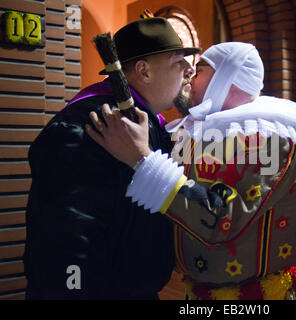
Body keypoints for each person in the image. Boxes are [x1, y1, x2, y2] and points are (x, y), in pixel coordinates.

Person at [86, 42, 296, 300]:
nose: (189, 73)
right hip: (202, 292)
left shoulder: (273, 136)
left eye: (199, 69)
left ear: (227, 77)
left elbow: (225, 218)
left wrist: (143, 160)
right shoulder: (201, 131)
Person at [24, 17, 200, 299]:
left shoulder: (148, 123)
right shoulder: (91, 124)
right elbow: (67, 237)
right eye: (178, 60)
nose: (190, 70)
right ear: (144, 71)